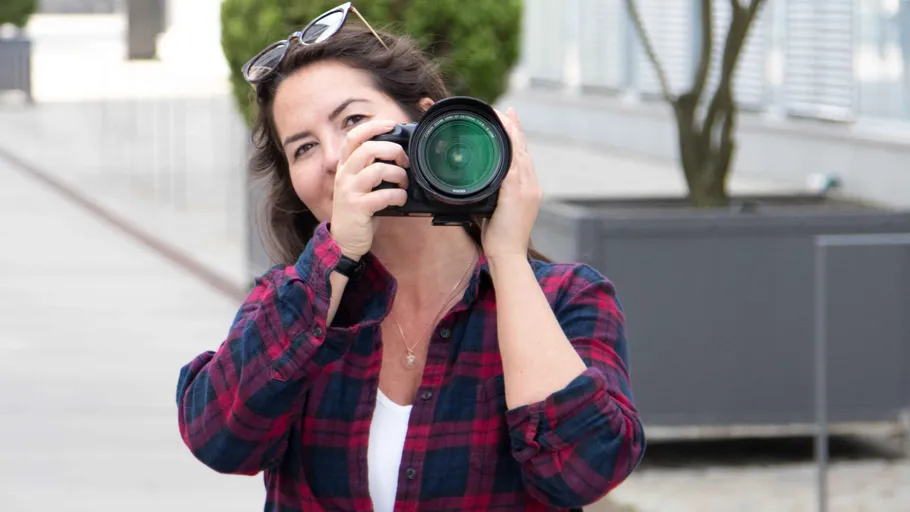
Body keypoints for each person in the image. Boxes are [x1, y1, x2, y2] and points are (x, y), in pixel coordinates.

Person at [175, 3, 645, 511]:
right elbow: (219, 439)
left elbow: (583, 473)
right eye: (304, 148)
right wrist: (334, 257)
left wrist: (506, 256)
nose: (336, 157)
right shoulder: (293, 306)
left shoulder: (567, 300)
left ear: (428, 125)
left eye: (353, 120)